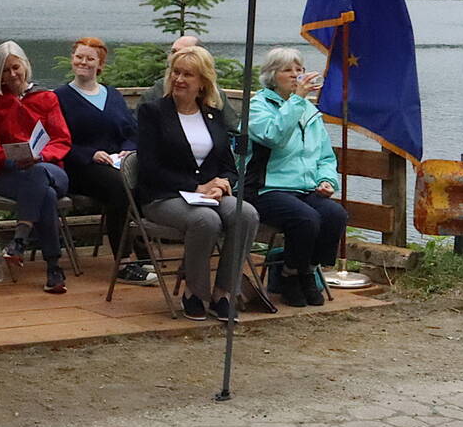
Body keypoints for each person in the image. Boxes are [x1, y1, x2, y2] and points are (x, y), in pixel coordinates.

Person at [134, 45, 260, 321]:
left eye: (187, 75)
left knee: (245, 213)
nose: (179, 79)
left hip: (206, 195)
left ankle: (224, 293)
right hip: (162, 196)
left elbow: (228, 165)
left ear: (203, 81)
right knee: (206, 220)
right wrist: (195, 186)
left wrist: (223, 184)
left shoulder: (212, 115)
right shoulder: (153, 113)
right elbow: (150, 169)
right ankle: (194, 292)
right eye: (176, 73)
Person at [245, 46, 346, 307]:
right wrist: (297, 101)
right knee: (306, 219)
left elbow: (325, 156)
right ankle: (289, 275)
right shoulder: (258, 106)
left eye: (299, 69)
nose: (295, 75)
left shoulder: (310, 113)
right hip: (265, 188)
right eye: (287, 70)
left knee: (335, 215)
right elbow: (274, 136)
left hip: (303, 188)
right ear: (271, 76)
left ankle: (306, 271)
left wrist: (327, 180)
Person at [0, 41, 73, 294]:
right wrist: (10, 159)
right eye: (5, 71)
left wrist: (41, 156)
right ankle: (53, 268)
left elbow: (62, 139)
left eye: (15, 67)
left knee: (39, 174)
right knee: (45, 195)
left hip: (50, 169)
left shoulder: (46, 98)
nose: (12, 75)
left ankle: (19, 239)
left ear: (25, 66)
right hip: (10, 174)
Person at [52, 36, 144, 279]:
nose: (83, 62)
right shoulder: (59, 97)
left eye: (90, 59)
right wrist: (90, 154)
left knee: (145, 179)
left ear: (100, 64)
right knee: (120, 186)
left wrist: (127, 149)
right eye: (79, 57)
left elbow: (130, 131)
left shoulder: (112, 95)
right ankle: (124, 263)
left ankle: (143, 252)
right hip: (79, 168)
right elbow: (56, 141)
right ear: (72, 60)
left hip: (116, 164)